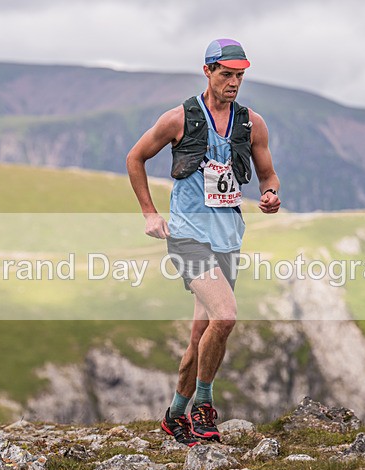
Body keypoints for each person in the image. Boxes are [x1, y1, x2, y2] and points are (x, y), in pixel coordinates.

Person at [127, 38, 281, 446]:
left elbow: (267, 174)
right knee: (226, 317)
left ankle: (174, 415)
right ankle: (204, 406)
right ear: (208, 71)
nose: (234, 83)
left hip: (228, 240)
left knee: (202, 338)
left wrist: (270, 194)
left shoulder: (252, 124)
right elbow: (135, 157)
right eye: (227, 74)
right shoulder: (178, 118)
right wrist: (149, 212)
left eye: (240, 75)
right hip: (188, 238)